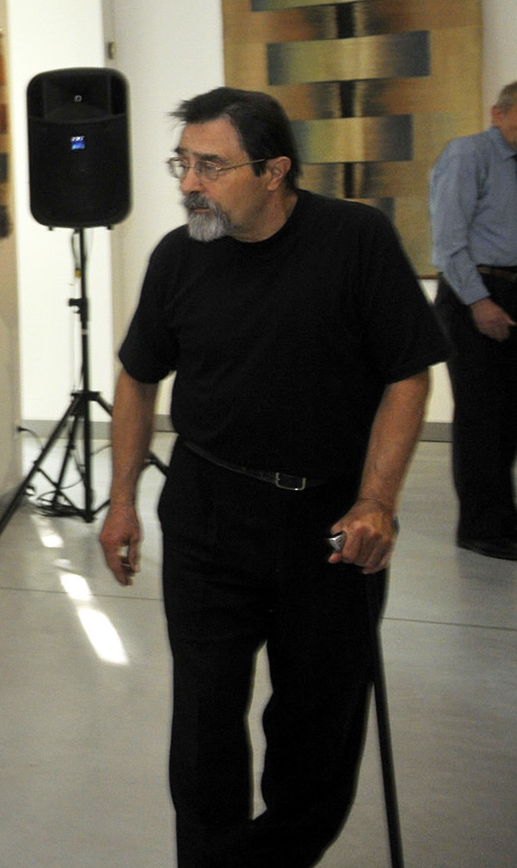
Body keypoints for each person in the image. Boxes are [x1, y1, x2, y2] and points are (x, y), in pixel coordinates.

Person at [98, 87, 448, 868]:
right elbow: (137, 378)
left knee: (319, 730)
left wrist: (377, 500)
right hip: (208, 513)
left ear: (274, 170)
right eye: (183, 164)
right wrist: (122, 502)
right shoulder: (178, 256)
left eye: (211, 166)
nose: (190, 184)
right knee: (204, 726)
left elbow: (408, 374)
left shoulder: (355, 240)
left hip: (329, 525)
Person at [427, 82, 517, 559]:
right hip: (476, 293)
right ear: (498, 114)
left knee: (510, 417)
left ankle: (505, 519)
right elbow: (448, 240)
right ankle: (481, 528)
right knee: (483, 417)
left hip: (510, 290)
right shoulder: (469, 155)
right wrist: (480, 302)